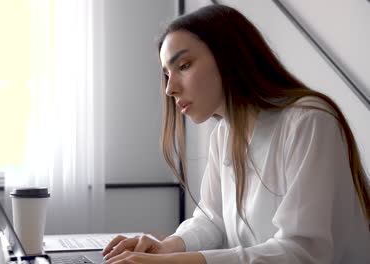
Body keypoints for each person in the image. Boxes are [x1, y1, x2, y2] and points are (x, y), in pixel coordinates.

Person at [102, 4, 370, 264]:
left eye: (183, 66)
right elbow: (212, 219)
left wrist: (176, 262)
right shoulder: (224, 133)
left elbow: (302, 252)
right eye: (166, 74)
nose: (170, 89)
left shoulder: (309, 121)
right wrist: (163, 248)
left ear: (229, 56)